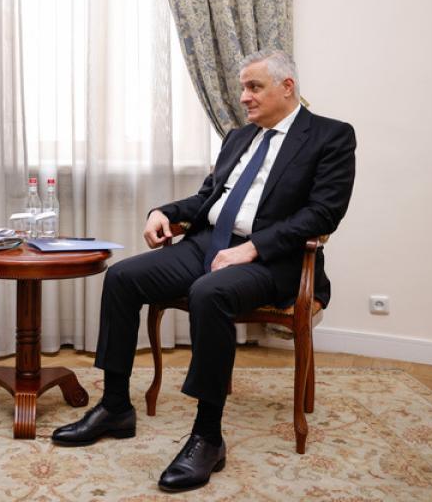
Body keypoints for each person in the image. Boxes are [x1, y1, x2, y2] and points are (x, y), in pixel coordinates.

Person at [51, 50, 356, 492]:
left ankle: (208, 437)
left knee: (209, 293)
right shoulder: (239, 138)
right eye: (243, 87)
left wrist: (252, 248)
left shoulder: (331, 136)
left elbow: (323, 213)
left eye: (254, 87)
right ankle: (115, 406)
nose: (244, 97)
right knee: (122, 277)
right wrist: (163, 212)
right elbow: (208, 199)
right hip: (208, 243)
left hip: (273, 260)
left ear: (287, 87)